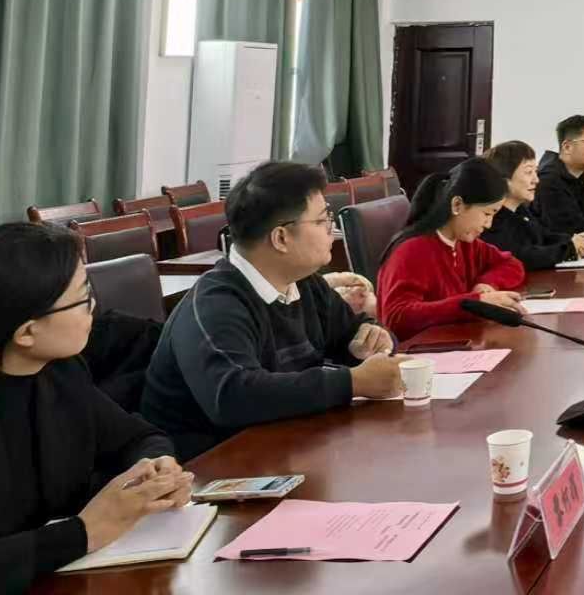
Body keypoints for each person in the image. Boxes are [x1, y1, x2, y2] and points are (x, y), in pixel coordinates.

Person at [0, 224, 194, 592]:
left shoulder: (58, 370)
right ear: (27, 332)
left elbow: (138, 437)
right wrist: (82, 534)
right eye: (84, 299)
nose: (94, 307)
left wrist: (154, 472)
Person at [142, 161, 404, 460]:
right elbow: (234, 395)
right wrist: (353, 382)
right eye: (322, 221)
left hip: (285, 447)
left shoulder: (304, 283)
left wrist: (373, 339)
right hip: (210, 469)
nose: (331, 231)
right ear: (281, 238)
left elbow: (353, 331)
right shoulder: (215, 304)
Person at [376, 157, 526, 339]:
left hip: (455, 341)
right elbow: (397, 318)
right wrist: (474, 303)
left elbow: (512, 264)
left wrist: (486, 285)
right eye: (487, 213)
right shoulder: (412, 250)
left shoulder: (465, 243)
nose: (488, 224)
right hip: (420, 350)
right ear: (457, 205)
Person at [485, 139, 584, 270]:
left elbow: (544, 236)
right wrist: (568, 248)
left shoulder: (520, 210)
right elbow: (523, 257)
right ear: (504, 179)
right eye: (528, 172)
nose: (536, 180)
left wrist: (574, 241)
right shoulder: (493, 219)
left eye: (535, 171)